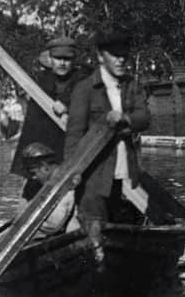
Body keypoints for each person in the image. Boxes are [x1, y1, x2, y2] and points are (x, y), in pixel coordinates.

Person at [64, 32, 150, 248]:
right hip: (95, 178)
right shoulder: (84, 89)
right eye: (115, 55)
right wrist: (72, 171)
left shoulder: (132, 85)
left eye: (125, 55)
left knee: (127, 238)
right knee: (96, 236)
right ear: (101, 56)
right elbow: (74, 134)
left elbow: (144, 117)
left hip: (127, 178)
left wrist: (125, 117)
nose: (121, 60)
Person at [10, 36, 87, 200]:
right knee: (32, 188)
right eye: (58, 58)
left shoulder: (82, 79)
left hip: (68, 146)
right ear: (50, 59)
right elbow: (33, 126)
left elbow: (84, 98)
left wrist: (66, 103)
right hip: (42, 146)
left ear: (73, 60)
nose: (62, 63)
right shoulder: (41, 82)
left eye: (67, 59)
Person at [18, 142, 81, 241]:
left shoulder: (66, 183)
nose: (33, 177)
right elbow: (20, 213)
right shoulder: (33, 184)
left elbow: (53, 225)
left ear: (45, 167)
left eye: (33, 173)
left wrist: (26, 220)